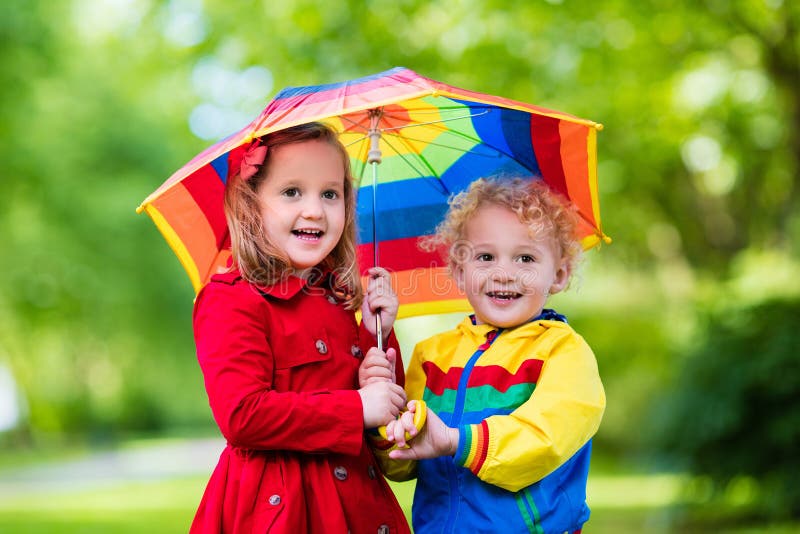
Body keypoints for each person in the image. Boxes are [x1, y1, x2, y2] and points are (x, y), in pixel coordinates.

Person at [191, 122, 411, 534]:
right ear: (251, 205)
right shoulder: (231, 298)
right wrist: (358, 407)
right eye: (292, 192)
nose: (314, 209)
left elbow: (383, 407)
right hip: (282, 507)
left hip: (355, 505)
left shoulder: (337, 298)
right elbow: (243, 415)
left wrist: (377, 331)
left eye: (330, 194)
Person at [362, 177, 606, 534]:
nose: (503, 273)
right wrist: (384, 416)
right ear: (460, 272)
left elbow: (542, 440)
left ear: (559, 274)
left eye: (525, 258)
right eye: (485, 257)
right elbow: (401, 464)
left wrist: (456, 441)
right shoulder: (433, 355)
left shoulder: (563, 353)